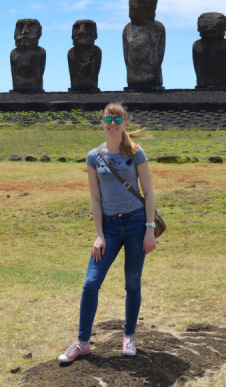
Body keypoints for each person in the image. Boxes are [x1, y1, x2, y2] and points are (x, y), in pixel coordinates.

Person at [58, 103, 157, 362]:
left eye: (117, 119)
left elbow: (148, 193)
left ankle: (129, 336)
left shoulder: (136, 153)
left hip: (136, 224)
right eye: (107, 119)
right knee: (91, 283)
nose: (112, 123)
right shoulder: (94, 156)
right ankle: (82, 342)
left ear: (124, 122)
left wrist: (149, 229)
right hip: (110, 227)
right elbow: (95, 197)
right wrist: (99, 234)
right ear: (102, 123)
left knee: (132, 283)